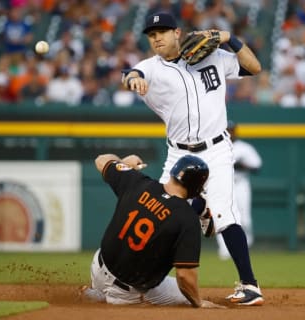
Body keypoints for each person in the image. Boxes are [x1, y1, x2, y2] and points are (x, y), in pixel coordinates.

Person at [121, 12, 264, 306]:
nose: (156, 38)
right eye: (151, 34)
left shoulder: (214, 56)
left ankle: (250, 285)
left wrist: (228, 38)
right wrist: (133, 79)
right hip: (179, 152)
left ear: (177, 32)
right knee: (158, 213)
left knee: (226, 213)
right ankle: (134, 280)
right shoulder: (151, 67)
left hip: (217, 148)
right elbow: (132, 74)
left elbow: (255, 67)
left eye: (162, 31)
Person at [81, 153, 224, 308]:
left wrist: (123, 163)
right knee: (184, 296)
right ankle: (112, 299)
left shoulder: (136, 181)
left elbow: (101, 160)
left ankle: (98, 292)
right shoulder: (187, 219)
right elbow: (184, 276)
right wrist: (198, 302)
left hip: (98, 266)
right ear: (196, 187)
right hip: (126, 292)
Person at [216, 121, 262, 260]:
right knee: (221, 217)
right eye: (227, 130)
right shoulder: (217, 147)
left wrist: (240, 165)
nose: (230, 132)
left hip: (240, 184)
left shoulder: (244, 148)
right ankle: (225, 250)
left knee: (244, 218)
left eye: (232, 130)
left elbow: (257, 167)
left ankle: (245, 246)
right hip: (222, 185)